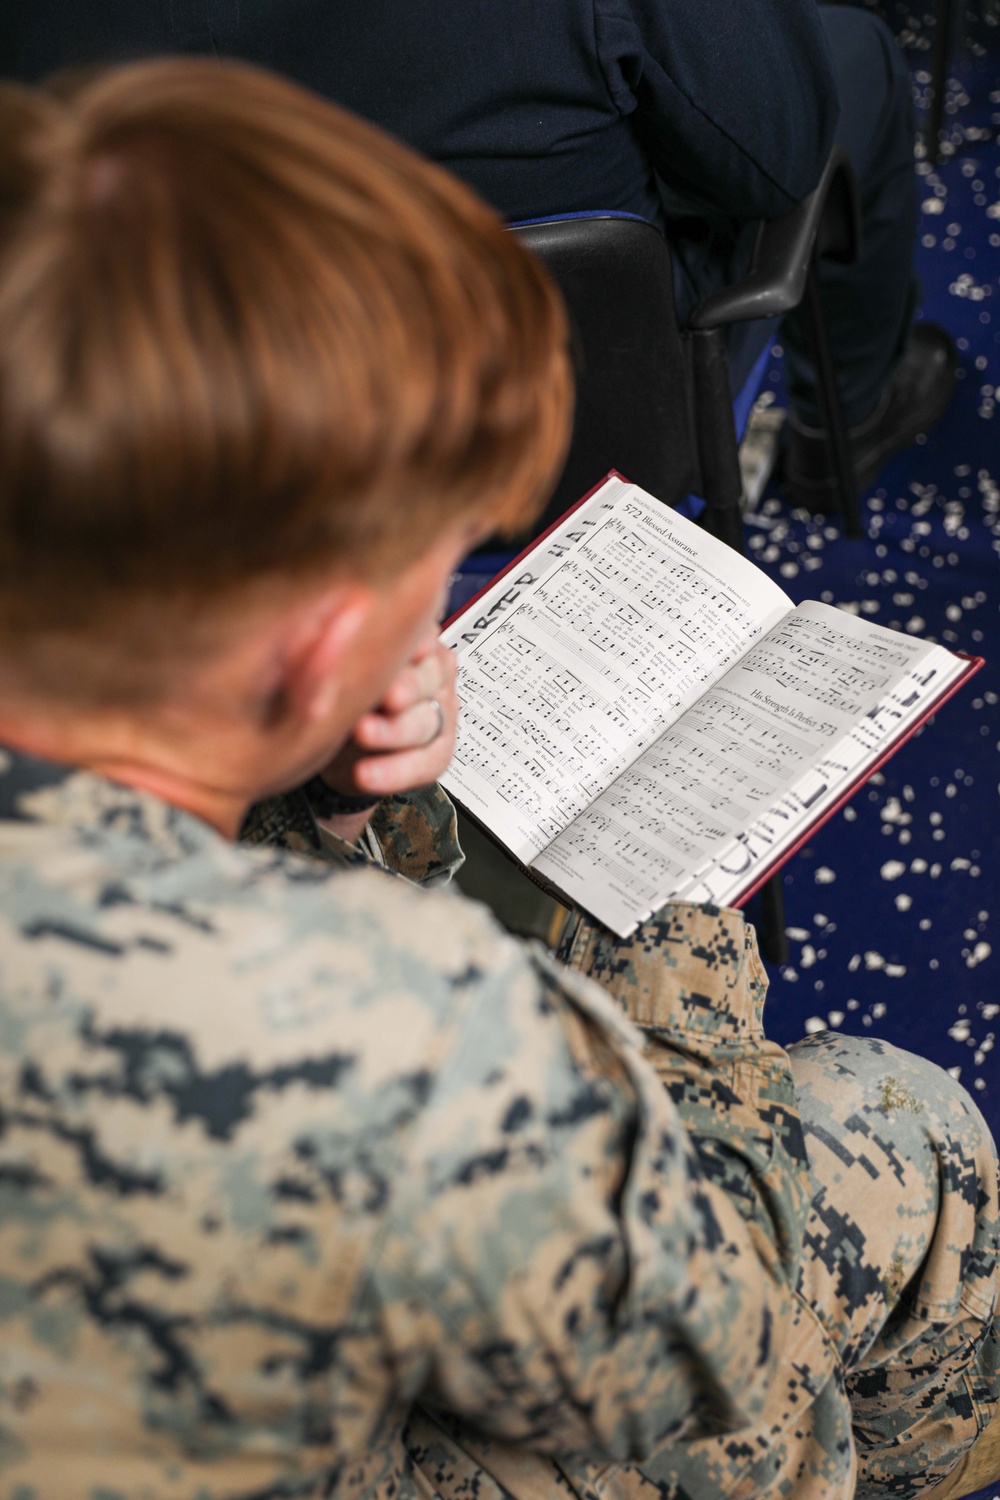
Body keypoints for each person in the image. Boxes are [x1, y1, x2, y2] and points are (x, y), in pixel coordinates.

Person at [0, 59, 996, 1500]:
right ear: (327, 642)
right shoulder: (400, 1036)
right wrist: (679, 1011)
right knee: (909, 1131)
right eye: (434, 559)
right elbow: (702, 1358)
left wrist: (338, 814)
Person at [2, 0, 957, 510]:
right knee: (857, 62)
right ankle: (844, 432)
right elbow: (776, 160)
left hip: (182, 441)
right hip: (567, 428)